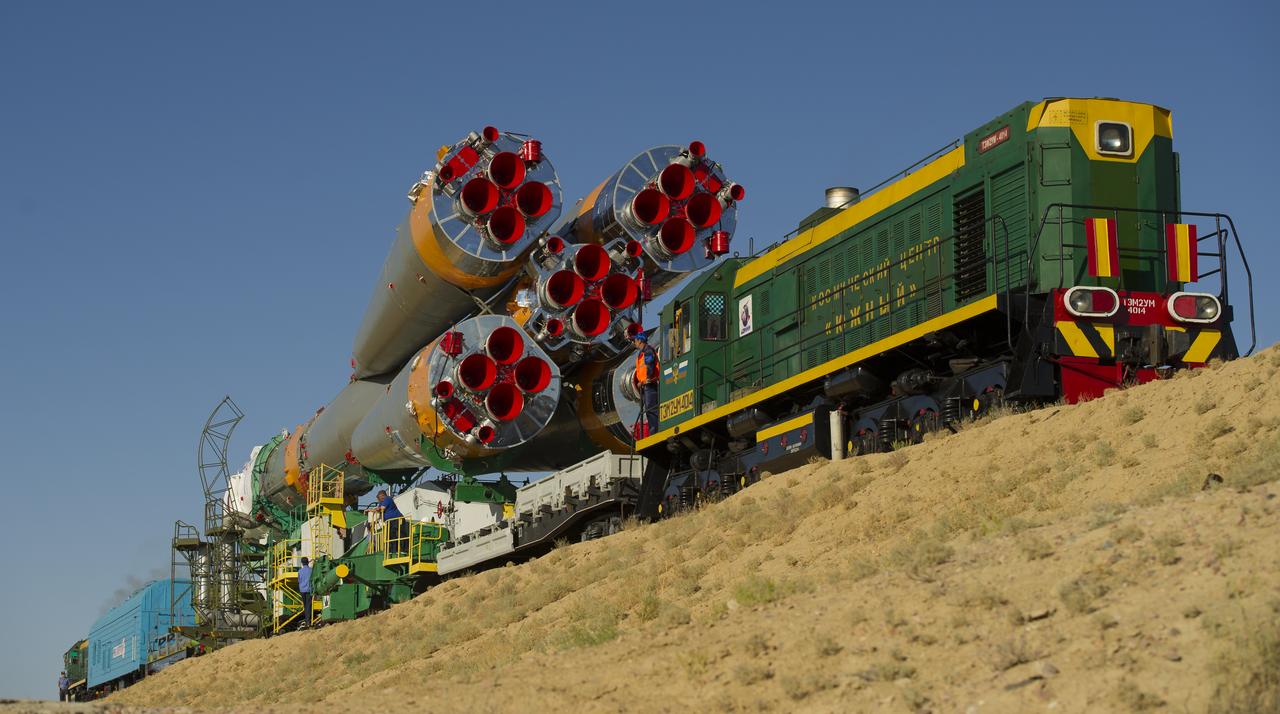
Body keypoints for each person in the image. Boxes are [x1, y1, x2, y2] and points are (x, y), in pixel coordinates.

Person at [633, 333, 660, 437]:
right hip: (645, 385)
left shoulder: (648, 351)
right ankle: (653, 432)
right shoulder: (641, 353)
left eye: (635, 340)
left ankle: (655, 432)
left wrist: (648, 378)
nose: (635, 342)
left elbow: (650, 365)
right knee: (649, 410)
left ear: (640, 341)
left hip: (650, 384)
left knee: (651, 409)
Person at [376, 489, 405, 554]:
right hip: (390, 521)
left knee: (399, 534)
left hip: (397, 519)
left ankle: (401, 550)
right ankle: (392, 550)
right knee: (391, 535)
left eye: (379, 497)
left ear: (382, 496)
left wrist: (376, 509)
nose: (378, 499)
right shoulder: (381, 502)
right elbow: (378, 509)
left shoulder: (387, 499)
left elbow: (382, 508)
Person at [297, 556, 312, 628]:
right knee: (308, 605)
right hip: (309, 589)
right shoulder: (311, 570)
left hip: (302, 590)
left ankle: (307, 621)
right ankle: (308, 622)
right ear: (308, 562)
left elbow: (299, 581)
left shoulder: (300, 571)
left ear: (302, 563)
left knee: (305, 606)